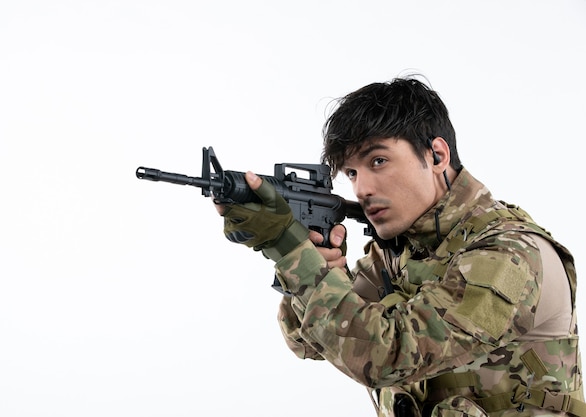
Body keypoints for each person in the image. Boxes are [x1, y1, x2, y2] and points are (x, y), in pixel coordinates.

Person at [215, 76, 584, 416]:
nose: (361, 189)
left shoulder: (509, 253)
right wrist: (315, 264)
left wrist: (290, 249)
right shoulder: (400, 251)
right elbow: (309, 343)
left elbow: (384, 355)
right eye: (353, 173)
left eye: (379, 161)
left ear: (436, 156)